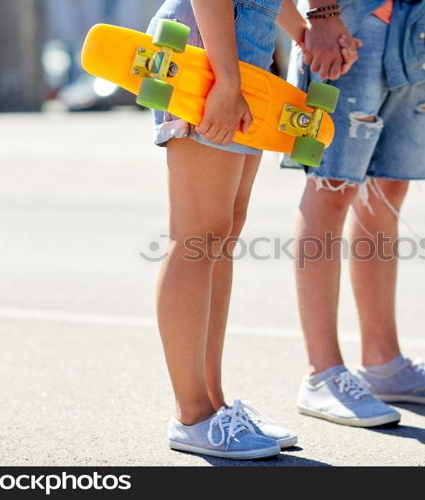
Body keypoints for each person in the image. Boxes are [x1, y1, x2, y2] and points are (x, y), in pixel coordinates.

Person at [147, 0, 359, 459]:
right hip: (209, 43)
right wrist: (226, 77)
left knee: (221, 234)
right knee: (197, 236)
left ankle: (214, 403)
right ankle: (192, 414)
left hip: (245, 47)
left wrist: (300, 31)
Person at [285, 0, 425, 428]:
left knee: (388, 188)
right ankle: (322, 373)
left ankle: (383, 363)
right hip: (348, 19)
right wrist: (320, 14)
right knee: (331, 186)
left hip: (417, 24)